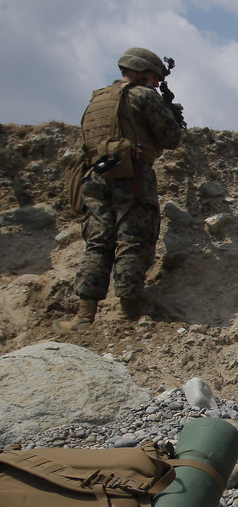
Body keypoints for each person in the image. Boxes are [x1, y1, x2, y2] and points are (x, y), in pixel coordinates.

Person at [61, 47, 183, 329]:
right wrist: (173, 118)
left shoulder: (97, 100)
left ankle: (84, 315)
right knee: (132, 241)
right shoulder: (143, 96)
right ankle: (128, 315)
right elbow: (170, 138)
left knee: (98, 243)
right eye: (154, 78)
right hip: (132, 175)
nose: (155, 84)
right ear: (142, 73)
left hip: (95, 177)